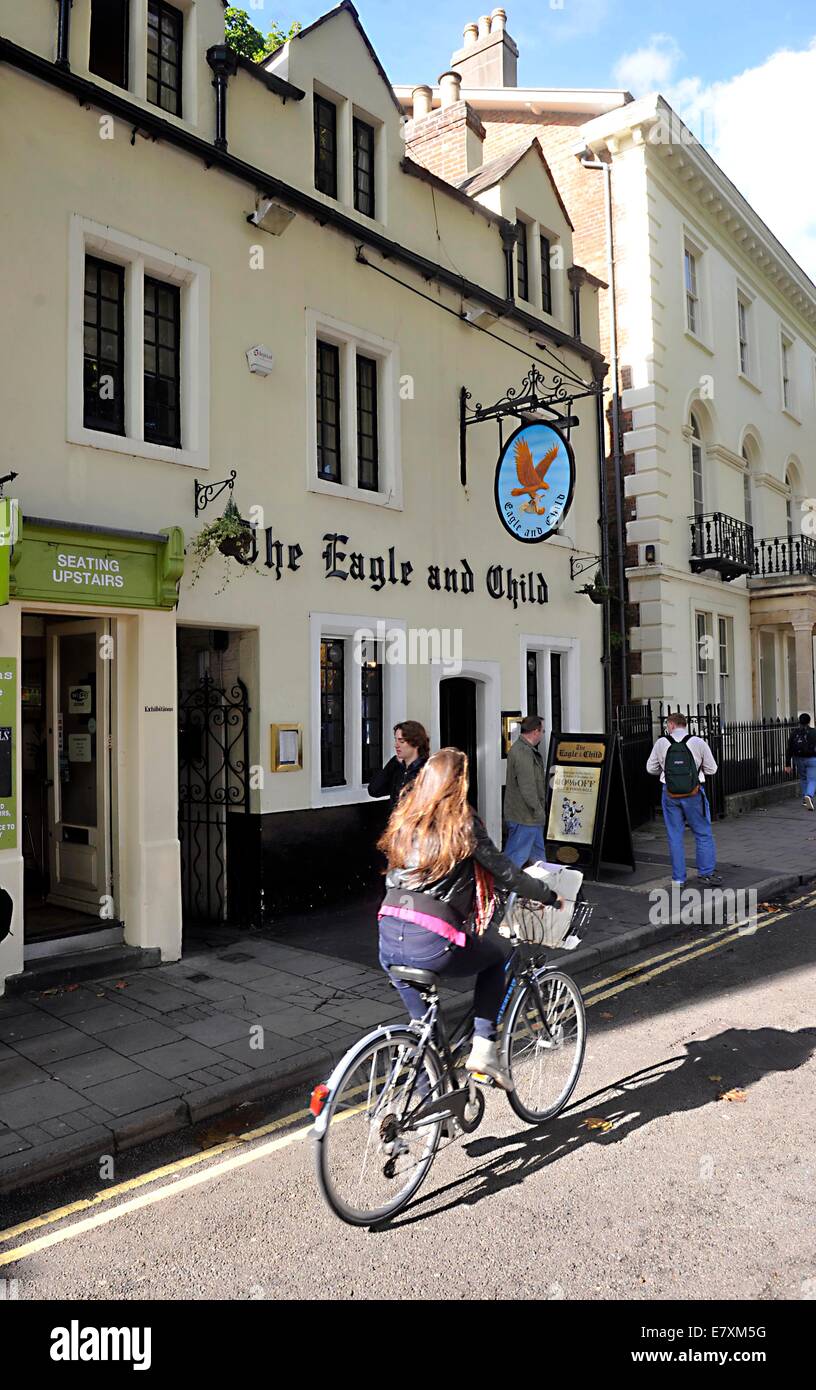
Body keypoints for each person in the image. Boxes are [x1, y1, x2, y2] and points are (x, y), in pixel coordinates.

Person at [377, 747, 563, 1090]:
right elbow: (507, 873)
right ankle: (483, 1049)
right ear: (460, 784)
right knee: (498, 958)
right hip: (431, 939)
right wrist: (549, 895)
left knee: (424, 1031)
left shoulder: (406, 819)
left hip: (388, 934)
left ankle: (430, 1114)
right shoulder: (461, 823)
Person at [647, 713, 722, 887]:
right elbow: (712, 769)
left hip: (670, 793)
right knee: (703, 833)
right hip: (694, 793)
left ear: (671, 725)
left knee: (675, 836)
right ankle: (706, 873)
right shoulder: (698, 742)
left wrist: (668, 773)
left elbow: (650, 768)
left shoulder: (661, 743)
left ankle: (678, 879)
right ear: (684, 725)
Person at [503, 715, 548, 867]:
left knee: (538, 862)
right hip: (524, 817)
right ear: (535, 731)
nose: (542, 734)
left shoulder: (524, 750)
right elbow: (527, 786)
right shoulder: (523, 752)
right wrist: (538, 810)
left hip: (529, 818)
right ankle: (501, 889)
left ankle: (542, 889)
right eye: (542, 731)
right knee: (514, 861)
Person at [367, 721, 429, 811]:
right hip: (396, 822)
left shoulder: (427, 770)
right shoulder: (397, 768)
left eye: (401, 741)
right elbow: (374, 790)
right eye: (396, 740)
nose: (396, 745)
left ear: (416, 743)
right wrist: (393, 762)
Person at [784, 713, 816, 810]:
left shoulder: (794, 733)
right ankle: (809, 796)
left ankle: (804, 799)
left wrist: (788, 764)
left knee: (803, 778)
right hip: (812, 759)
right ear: (809, 721)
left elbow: (789, 748)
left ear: (799, 721)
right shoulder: (814, 732)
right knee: (812, 779)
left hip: (798, 759)